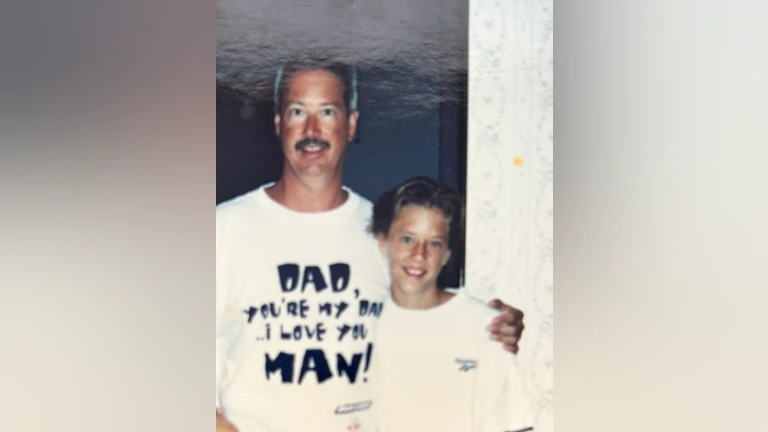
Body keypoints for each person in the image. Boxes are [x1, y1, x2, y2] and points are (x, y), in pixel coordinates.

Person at [216, 54, 526, 432]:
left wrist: (491, 326)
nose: (311, 128)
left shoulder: (387, 235)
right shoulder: (222, 228)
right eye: (297, 112)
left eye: (327, 112)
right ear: (279, 123)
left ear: (351, 124)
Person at [370, 177, 534, 432]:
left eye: (433, 243)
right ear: (383, 243)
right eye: (407, 239)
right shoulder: (361, 323)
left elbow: (513, 423)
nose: (419, 255)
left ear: (446, 255)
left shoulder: (485, 327)